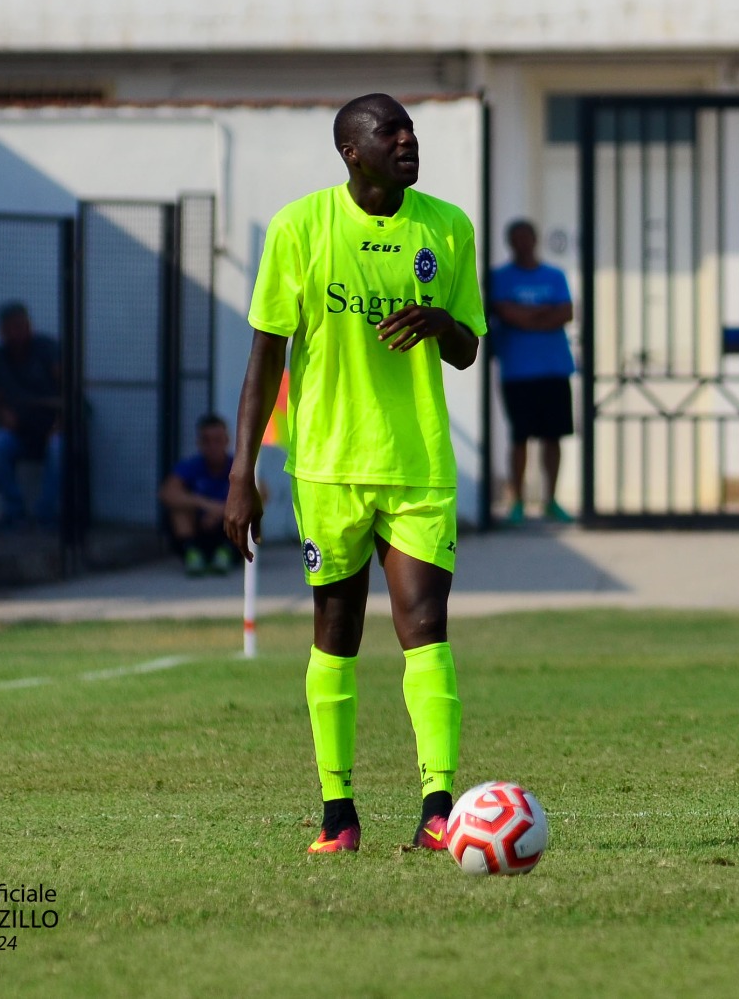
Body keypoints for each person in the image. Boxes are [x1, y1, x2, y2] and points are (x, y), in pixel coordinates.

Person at [224, 93, 486, 856]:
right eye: (390, 131)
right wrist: (243, 470)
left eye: (411, 130)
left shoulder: (448, 227)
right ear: (351, 150)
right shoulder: (300, 227)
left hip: (417, 463)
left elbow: (468, 349)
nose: (408, 141)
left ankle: (439, 805)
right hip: (328, 466)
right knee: (335, 634)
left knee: (424, 626)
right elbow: (265, 357)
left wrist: (442, 323)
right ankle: (338, 812)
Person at [489, 218, 575, 525]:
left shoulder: (555, 275)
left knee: (553, 437)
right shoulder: (499, 278)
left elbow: (565, 312)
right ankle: (518, 502)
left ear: (536, 240)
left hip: (554, 368)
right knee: (520, 438)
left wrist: (524, 315)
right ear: (510, 243)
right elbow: (505, 312)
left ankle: (551, 500)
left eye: (527, 237)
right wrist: (541, 313)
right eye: (517, 238)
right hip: (517, 371)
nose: (523, 243)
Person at [0, 302, 62, 528]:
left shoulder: (48, 348)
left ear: (29, 326)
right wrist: (2, 413)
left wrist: (59, 424)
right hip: (19, 432)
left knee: (59, 448)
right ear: (1, 331)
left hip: (52, 429)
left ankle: (45, 514)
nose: (17, 333)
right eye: (10, 328)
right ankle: (15, 512)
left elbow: (68, 391)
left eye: (21, 326)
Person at [159, 413, 236, 576]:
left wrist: (223, 511)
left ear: (227, 441)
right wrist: (205, 505)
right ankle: (193, 555)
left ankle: (225, 554)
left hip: (228, 532)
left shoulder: (236, 466)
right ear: (199, 443)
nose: (212, 446)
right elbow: (167, 493)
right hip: (199, 528)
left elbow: (261, 492)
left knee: (248, 511)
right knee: (179, 510)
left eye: (217, 440)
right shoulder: (191, 466)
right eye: (206, 441)